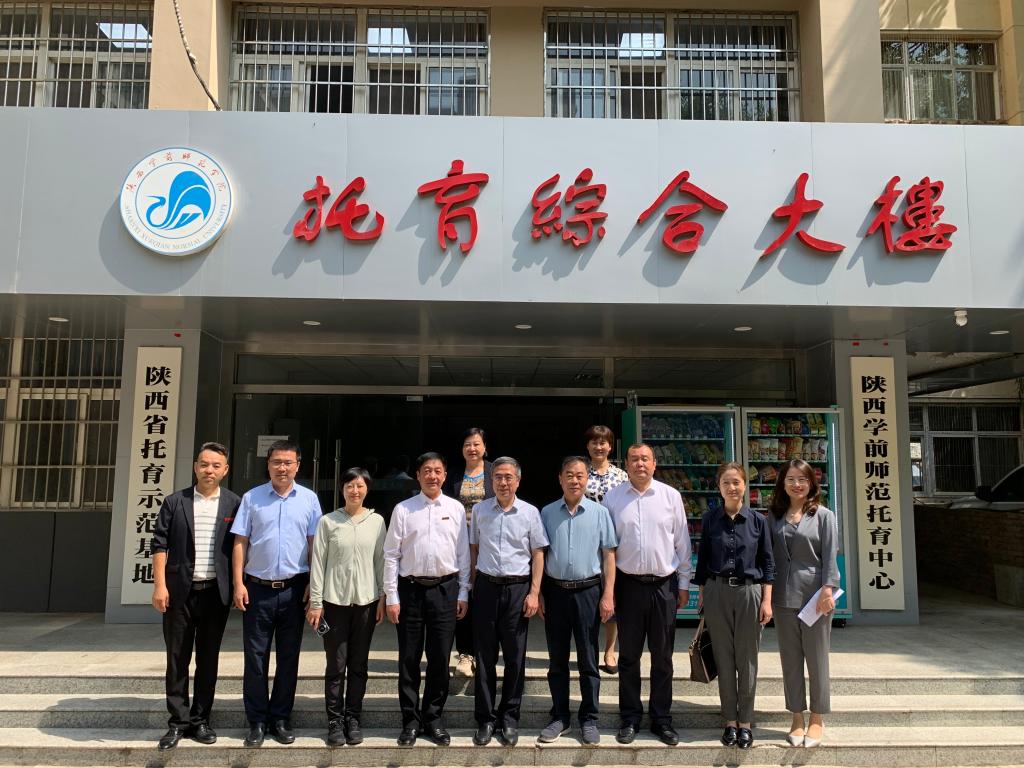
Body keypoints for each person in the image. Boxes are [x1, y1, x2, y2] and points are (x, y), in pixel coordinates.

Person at [231, 439, 322, 748]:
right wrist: (238, 583)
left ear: (298, 466)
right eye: (276, 462)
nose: (282, 468)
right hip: (257, 590)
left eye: (288, 462)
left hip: (295, 589)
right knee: (255, 658)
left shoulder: (309, 500)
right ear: (268, 465)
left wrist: (313, 584)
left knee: (288, 657)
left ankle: (281, 718)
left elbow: (315, 545)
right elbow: (240, 542)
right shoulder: (252, 498)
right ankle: (257, 721)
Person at [150, 442, 240, 750]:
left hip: (216, 593)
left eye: (216, 466)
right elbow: (159, 545)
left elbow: (240, 546)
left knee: (208, 658)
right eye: (204, 464)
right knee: (177, 658)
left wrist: (238, 584)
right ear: (195, 467)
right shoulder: (175, 502)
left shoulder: (234, 504)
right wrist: (159, 586)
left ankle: (201, 719)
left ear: (225, 470)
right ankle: (178, 722)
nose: (209, 470)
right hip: (179, 593)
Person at [603, 443, 691, 746]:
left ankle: (661, 719)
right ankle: (630, 718)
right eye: (634, 459)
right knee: (629, 656)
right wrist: (609, 589)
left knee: (662, 656)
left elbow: (682, 543)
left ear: (654, 464)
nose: (640, 464)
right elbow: (608, 547)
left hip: (664, 586)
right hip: (628, 586)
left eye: (645, 459)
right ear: (626, 465)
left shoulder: (670, 496)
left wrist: (683, 584)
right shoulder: (613, 498)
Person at [383, 452, 471, 747]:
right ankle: (410, 721)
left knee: (439, 658)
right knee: (409, 658)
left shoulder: (455, 508)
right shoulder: (403, 509)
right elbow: (391, 555)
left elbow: (463, 554)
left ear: (445, 475)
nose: (432, 476)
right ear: (418, 475)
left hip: (445, 590)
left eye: (438, 471)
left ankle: (433, 718)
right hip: (410, 591)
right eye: (427, 471)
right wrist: (391, 596)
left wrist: (463, 591)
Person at [693, 462, 775, 751]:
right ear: (719, 487)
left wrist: (767, 600)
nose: (732, 487)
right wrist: (703, 595)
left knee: (747, 659)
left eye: (736, 482)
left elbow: (767, 563)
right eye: (726, 482)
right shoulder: (710, 519)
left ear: (744, 485)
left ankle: (746, 722)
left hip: (749, 592)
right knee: (723, 657)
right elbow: (703, 561)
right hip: (717, 591)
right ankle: (729, 720)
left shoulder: (758, 521)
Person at [538, 456, 617, 746]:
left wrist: (608, 594)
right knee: (557, 659)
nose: (575, 481)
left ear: (587, 479)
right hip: (556, 592)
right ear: (560, 479)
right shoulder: (547, 512)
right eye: (569, 475)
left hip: (588, 592)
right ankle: (560, 716)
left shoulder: (600, 513)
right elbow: (540, 554)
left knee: (588, 658)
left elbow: (609, 556)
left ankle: (589, 718)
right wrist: (539, 592)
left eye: (580, 475)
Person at [469, 456, 547, 747]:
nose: (503, 482)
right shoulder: (480, 510)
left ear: (518, 480)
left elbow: (538, 553)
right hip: (486, 588)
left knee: (515, 657)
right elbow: (473, 549)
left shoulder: (530, 512)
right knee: (484, 657)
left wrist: (534, 593)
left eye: (508, 477)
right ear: (491, 481)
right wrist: (472, 587)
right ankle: (485, 719)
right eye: (498, 477)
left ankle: (510, 718)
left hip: (517, 589)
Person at [307, 467, 386, 747]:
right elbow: (318, 563)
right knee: (336, 665)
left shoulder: (376, 521)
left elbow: (380, 561)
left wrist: (382, 597)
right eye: (350, 485)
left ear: (367, 489)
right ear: (342, 489)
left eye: (360, 486)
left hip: (366, 603)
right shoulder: (328, 522)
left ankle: (353, 718)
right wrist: (316, 603)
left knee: (359, 664)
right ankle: (334, 721)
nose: (355, 490)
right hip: (334, 604)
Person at [769, 459, 840, 749]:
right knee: (790, 660)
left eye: (802, 479)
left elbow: (830, 556)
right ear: (783, 483)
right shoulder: (773, 517)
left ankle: (817, 718)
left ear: (811, 483)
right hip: (783, 597)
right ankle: (797, 717)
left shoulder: (823, 515)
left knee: (817, 659)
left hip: (815, 598)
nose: (796, 484)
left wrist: (828, 589)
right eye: (790, 479)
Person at [445, 427, 493, 678]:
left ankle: (484, 651)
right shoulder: (453, 474)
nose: (472, 449)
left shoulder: (496, 472)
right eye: (467, 444)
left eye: (476, 444)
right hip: (459, 544)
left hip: (489, 544)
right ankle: (465, 653)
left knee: (484, 596)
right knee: (463, 593)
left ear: (485, 447)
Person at [583, 425, 628, 676]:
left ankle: (610, 651)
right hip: (586, 542)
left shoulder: (621, 476)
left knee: (612, 596)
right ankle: (588, 650)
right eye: (594, 442)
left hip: (614, 543)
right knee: (589, 598)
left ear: (610, 446)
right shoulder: (580, 472)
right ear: (587, 446)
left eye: (603, 442)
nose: (598, 447)